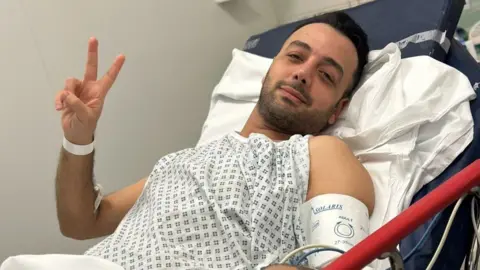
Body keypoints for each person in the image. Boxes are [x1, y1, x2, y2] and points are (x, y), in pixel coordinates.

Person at [54, 11, 375, 270]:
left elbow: (337, 261)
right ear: (270, 68)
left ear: (338, 109)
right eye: (295, 56)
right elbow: (80, 222)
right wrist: (78, 141)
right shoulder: (180, 163)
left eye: (326, 75)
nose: (303, 73)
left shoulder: (319, 154)